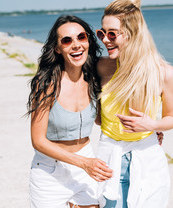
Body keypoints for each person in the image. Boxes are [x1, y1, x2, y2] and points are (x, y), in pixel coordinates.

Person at [95, 0, 173, 208]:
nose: (105, 40)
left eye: (112, 34)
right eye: (102, 33)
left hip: (147, 160)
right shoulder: (101, 67)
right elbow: (96, 117)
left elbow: (171, 118)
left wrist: (152, 125)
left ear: (132, 33)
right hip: (109, 160)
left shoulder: (163, 73)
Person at [27, 15, 113, 208]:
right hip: (50, 172)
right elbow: (38, 141)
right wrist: (83, 163)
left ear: (88, 41)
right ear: (58, 49)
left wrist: (146, 131)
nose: (76, 45)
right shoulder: (47, 85)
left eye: (81, 37)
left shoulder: (93, 79)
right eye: (67, 40)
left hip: (86, 166)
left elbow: (102, 119)